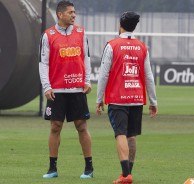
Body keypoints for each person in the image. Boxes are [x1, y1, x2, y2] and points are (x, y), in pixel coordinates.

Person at [96, 11, 158, 184]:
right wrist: (153, 101)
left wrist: (99, 98)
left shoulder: (112, 45)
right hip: (137, 97)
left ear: (120, 25)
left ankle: (125, 175)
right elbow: (149, 76)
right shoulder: (142, 47)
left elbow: (103, 75)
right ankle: (128, 173)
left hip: (118, 98)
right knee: (132, 135)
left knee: (120, 134)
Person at [39, 0, 93, 179]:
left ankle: (89, 168)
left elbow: (86, 58)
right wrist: (46, 86)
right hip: (57, 89)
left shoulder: (81, 33)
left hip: (77, 88)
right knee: (55, 127)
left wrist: (87, 80)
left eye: (74, 12)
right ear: (60, 14)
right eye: (70, 12)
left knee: (81, 126)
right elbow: (43, 63)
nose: (74, 15)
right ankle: (52, 169)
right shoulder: (48, 35)